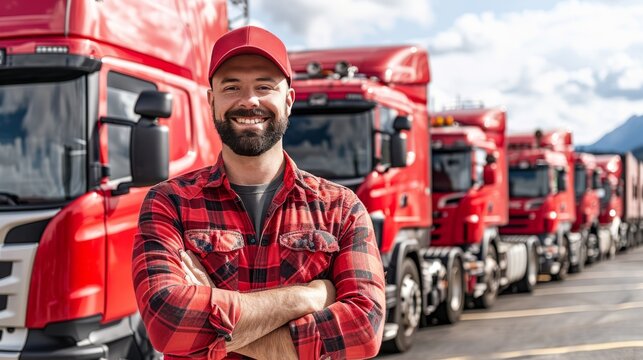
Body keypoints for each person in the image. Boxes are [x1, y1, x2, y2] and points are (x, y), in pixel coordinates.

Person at [132, 25, 386, 360]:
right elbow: (167, 324)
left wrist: (212, 316)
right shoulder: (170, 203)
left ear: (289, 100)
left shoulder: (341, 208)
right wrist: (306, 297)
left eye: (264, 86)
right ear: (212, 100)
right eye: (232, 86)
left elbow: (364, 330)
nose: (248, 100)